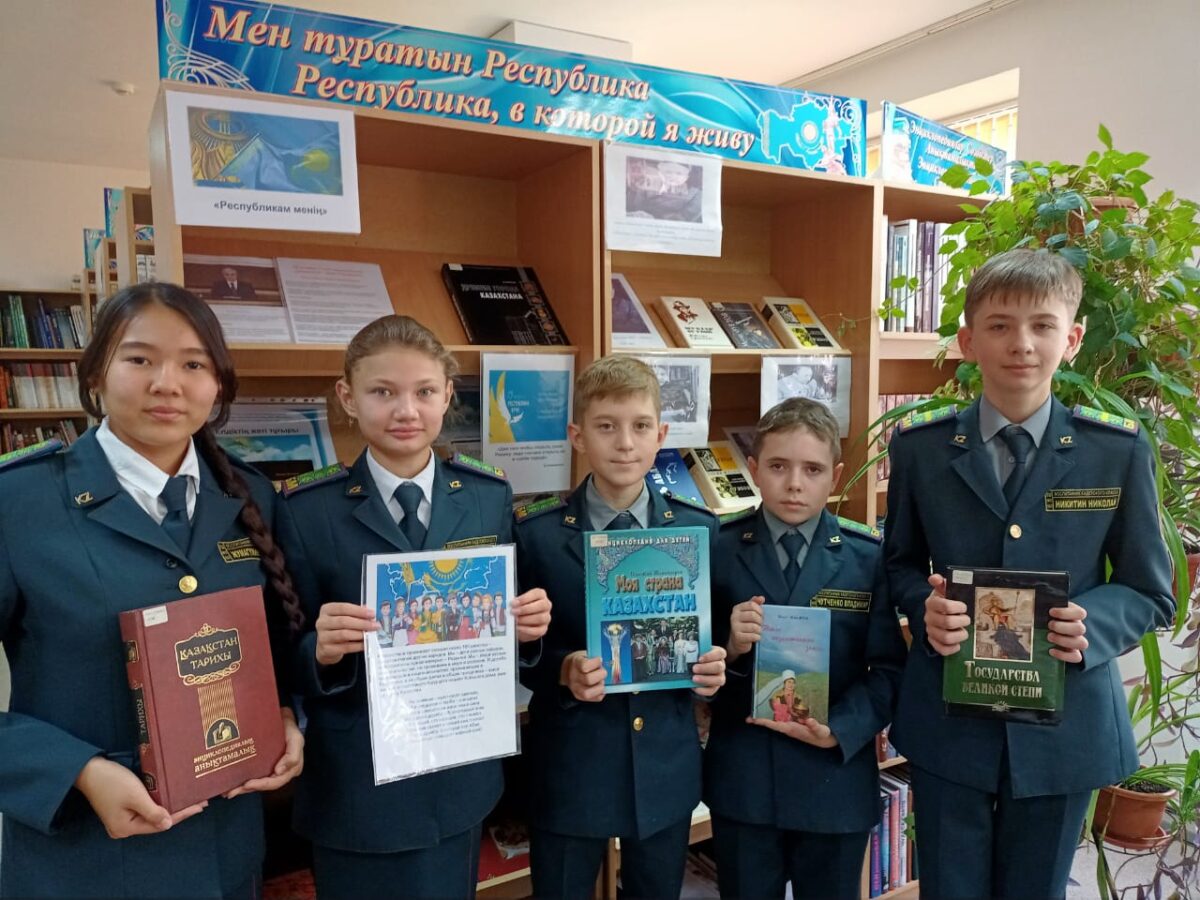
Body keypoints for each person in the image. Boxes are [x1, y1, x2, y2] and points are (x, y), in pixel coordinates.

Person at [884, 249, 1175, 899]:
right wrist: (923, 608)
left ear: (1072, 340)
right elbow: (898, 565)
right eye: (1000, 325)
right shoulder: (921, 448)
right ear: (968, 342)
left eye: (1043, 325)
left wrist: (1092, 624)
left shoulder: (1115, 451)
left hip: (1064, 727)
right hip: (950, 722)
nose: (1022, 343)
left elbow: (1150, 590)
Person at [0, 282, 304, 897]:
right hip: (88, 860)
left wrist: (287, 718)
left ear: (218, 384)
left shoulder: (250, 496)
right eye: (140, 359)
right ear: (96, 373)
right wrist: (76, 771)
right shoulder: (19, 502)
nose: (168, 383)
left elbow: (276, 644)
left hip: (227, 850)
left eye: (194, 364)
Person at [276, 314, 551, 900]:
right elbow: (280, 654)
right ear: (347, 397)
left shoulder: (487, 496)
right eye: (383, 392)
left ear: (447, 395)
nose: (406, 410)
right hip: (357, 781)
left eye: (424, 391)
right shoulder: (305, 510)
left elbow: (503, 635)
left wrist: (526, 630)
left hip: (457, 775)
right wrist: (320, 651)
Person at [514, 355, 727, 899]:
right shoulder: (536, 534)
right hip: (570, 766)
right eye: (606, 426)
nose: (625, 443)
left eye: (640, 426)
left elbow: (717, 638)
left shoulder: (700, 530)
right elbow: (513, 653)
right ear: (577, 436)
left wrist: (715, 668)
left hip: (664, 769)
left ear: (661, 435)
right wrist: (562, 669)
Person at [705, 397, 906, 900]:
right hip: (745, 782)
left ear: (834, 477)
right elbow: (688, 665)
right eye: (778, 466)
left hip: (833, 783)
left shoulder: (867, 557)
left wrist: (839, 729)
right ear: (754, 469)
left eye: (812, 470)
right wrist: (729, 646)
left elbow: (889, 671)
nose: (795, 483)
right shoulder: (716, 549)